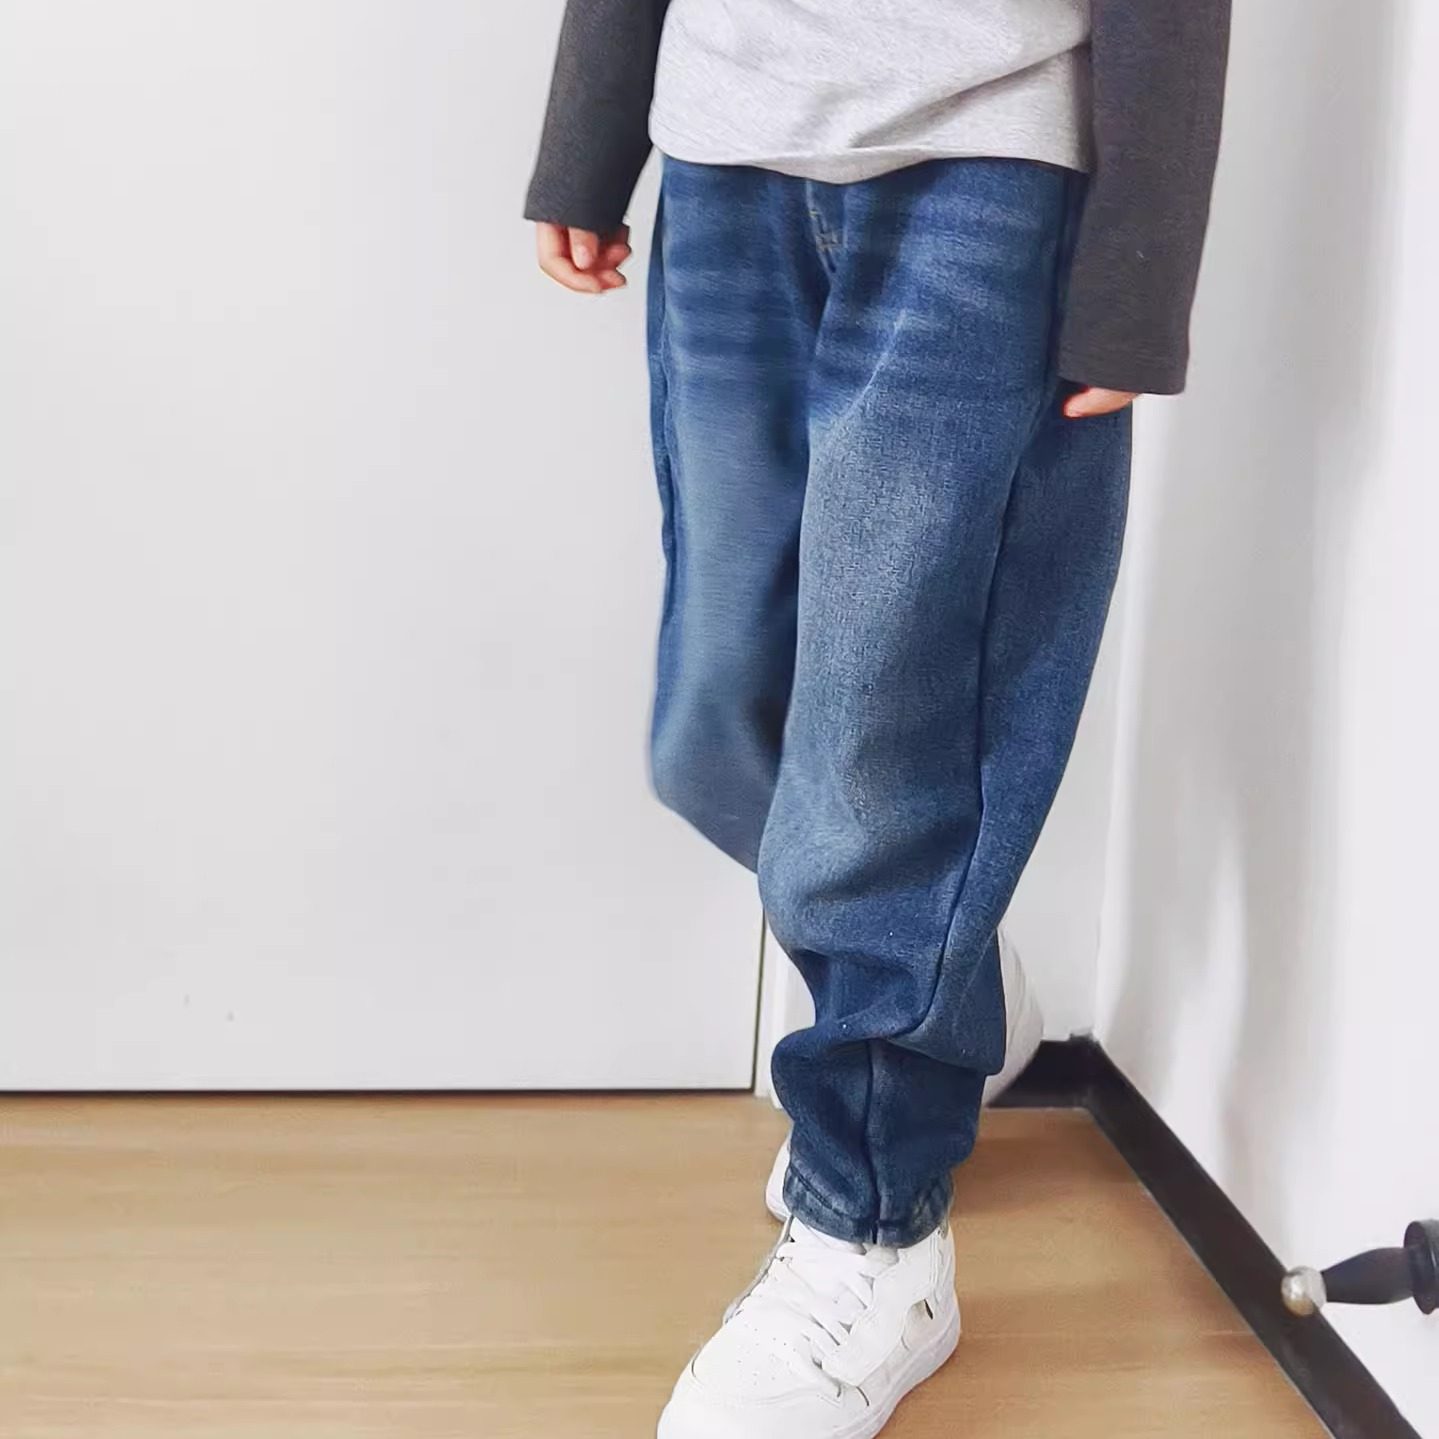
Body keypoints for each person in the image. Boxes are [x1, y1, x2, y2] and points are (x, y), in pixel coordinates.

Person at [525, 2, 1231, 1435]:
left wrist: (1138, 268)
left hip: (989, 163)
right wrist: (587, 141)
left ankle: (877, 1229)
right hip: (724, 152)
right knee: (715, 726)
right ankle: (941, 987)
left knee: (888, 733)